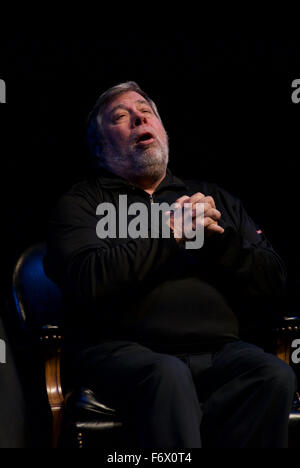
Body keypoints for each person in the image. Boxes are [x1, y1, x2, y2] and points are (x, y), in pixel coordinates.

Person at [44, 81, 297, 448]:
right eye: (120, 116)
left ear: (162, 130)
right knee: (168, 374)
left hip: (220, 353)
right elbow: (87, 278)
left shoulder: (213, 199)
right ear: (100, 148)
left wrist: (219, 240)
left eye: (146, 112)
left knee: (271, 375)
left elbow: (275, 280)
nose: (138, 118)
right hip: (124, 353)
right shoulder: (82, 202)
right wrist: (169, 234)